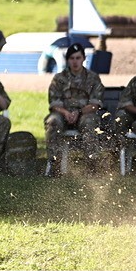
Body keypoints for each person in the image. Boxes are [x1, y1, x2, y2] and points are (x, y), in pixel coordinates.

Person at [44, 42, 106, 174]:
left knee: (90, 122)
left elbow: (95, 104)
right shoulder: (59, 78)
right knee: (52, 121)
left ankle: (92, 164)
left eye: (78, 58)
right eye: (72, 58)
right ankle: (54, 163)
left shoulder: (93, 78)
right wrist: (66, 112)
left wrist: (78, 112)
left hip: (85, 113)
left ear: (83, 58)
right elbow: (54, 103)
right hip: (63, 113)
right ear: (67, 60)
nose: (75, 62)